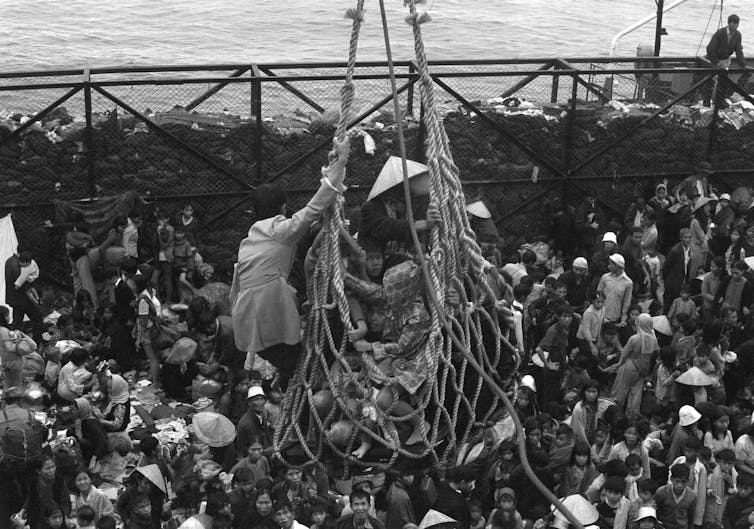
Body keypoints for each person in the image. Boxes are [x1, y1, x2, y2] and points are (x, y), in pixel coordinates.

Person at [231, 138, 349, 391]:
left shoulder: (248, 241)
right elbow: (316, 205)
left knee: (289, 359)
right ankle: (302, 392)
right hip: (269, 309)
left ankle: (289, 385)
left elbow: (237, 283)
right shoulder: (282, 231)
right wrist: (341, 162)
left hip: (247, 319)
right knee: (301, 362)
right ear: (282, 208)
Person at [611, 313, 659, 417]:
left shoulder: (634, 338)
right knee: (635, 396)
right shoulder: (653, 339)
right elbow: (655, 354)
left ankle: (615, 416)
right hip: (642, 370)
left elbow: (625, 354)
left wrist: (619, 364)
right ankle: (631, 418)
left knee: (619, 393)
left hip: (629, 365)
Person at [5, 244, 43, 343]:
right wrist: (34, 300)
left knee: (16, 323)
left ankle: (11, 343)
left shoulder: (9, 261)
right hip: (23, 299)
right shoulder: (19, 265)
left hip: (14, 298)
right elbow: (22, 285)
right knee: (37, 319)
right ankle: (37, 343)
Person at [654, 464, 696, 529]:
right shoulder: (661, 492)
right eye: (677, 481)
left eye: (683, 482)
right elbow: (656, 511)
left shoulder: (692, 496)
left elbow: (691, 517)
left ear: (688, 481)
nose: (680, 485)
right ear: (671, 479)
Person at [663, 229, 694, 314]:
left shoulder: (689, 249)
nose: (688, 239)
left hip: (683, 281)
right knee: (669, 305)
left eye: (689, 237)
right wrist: (669, 282)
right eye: (685, 237)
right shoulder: (675, 251)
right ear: (681, 238)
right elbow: (666, 267)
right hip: (673, 283)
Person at [597, 254, 633, 323]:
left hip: (616, 317)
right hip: (601, 315)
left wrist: (623, 318)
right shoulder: (605, 277)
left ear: (618, 266)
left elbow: (627, 302)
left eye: (611, 264)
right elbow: (599, 293)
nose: (608, 266)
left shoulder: (628, 282)